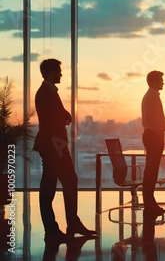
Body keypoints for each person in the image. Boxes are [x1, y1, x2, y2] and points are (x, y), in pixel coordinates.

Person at [33, 58, 97, 241]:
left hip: (54, 146)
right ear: (51, 72)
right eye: (59, 71)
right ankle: (57, 228)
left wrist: (65, 117)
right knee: (53, 187)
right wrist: (65, 117)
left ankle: (64, 225)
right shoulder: (46, 93)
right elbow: (59, 118)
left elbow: (63, 117)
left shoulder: (48, 92)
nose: (61, 74)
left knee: (57, 184)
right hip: (54, 147)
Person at [141, 70, 165, 216]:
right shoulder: (151, 96)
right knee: (151, 171)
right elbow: (151, 120)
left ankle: (150, 204)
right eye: (160, 80)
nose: (163, 82)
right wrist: (158, 134)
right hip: (153, 136)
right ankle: (149, 205)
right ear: (153, 82)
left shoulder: (152, 96)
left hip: (154, 135)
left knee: (152, 171)